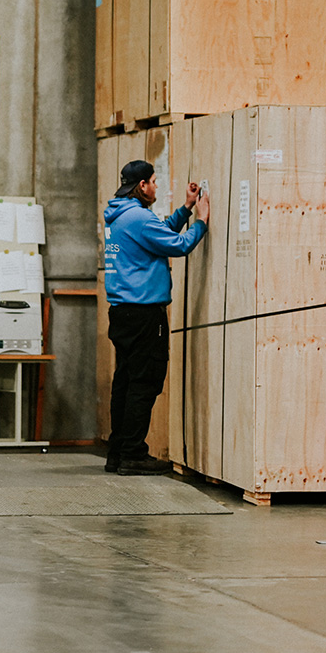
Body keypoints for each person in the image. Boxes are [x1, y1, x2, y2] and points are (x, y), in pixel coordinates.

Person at [103, 159, 209, 475]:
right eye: (153, 181)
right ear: (142, 186)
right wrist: (201, 222)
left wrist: (186, 209)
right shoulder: (138, 217)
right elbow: (177, 245)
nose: (156, 187)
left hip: (123, 313)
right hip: (144, 315)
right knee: (145, 382)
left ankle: (118, 452)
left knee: (125, 381)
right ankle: (134, 454)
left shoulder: (120, 214)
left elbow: (158, 234)